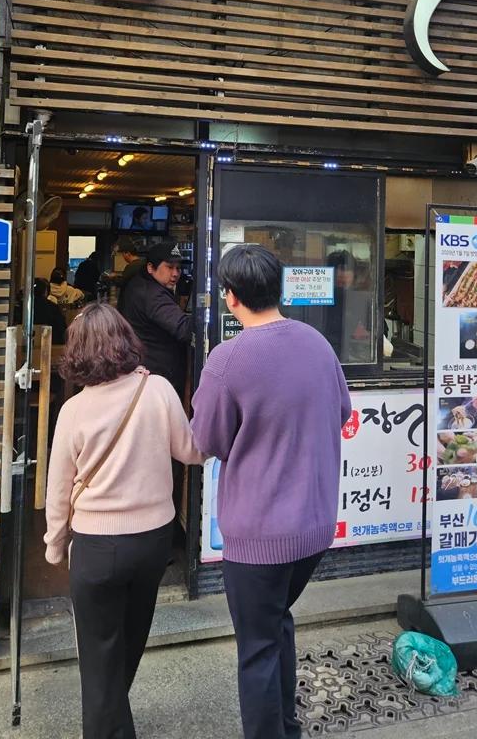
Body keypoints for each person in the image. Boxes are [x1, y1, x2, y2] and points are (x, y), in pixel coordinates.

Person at [191, 245, 351, 739]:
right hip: (315, 528)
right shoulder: (317, 343)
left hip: (258, 536)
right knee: (277, 623)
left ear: (231, 296)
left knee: (257, 648)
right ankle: (287, 727)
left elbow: (207, 441)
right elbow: (342, 411)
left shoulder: (227, 359)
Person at [44, 303, 205, 739]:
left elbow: (58, 489)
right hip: (153, 542)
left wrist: (55, 544)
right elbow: (191, 451)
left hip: (96, 546)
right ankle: (115, 722)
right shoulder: (158, 390)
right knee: (130, 641)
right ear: (126, 340)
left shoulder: (74, 410)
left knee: (98, 657)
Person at [118, 241, 192, 397]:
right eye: (169, 267)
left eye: (178, 268)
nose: (175, 274)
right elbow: (184, 329)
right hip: (157, 376)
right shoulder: (153, 295)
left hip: (146, 371)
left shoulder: (140, 285)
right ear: (150, 268)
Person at [32, 277, 66, 345]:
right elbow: (62, 328)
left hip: (26, 344)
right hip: (51, 344)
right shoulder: (53, 307)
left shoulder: (23, 307)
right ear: (46, 291)